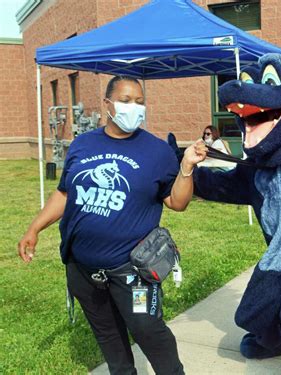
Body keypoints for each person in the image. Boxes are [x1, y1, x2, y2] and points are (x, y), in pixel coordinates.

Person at [17, 76, 207, 375]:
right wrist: (34, 228)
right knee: (108, 336)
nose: (135, 108)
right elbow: (66, 192)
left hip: (133, 273)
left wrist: (185, 168)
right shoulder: (82, 144)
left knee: (149, 332)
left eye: (140, 102)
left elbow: (177, 202)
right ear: (107, 104)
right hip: (82, 268)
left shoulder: (157, 152)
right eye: (126, 100)